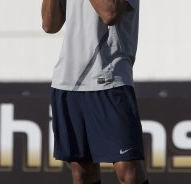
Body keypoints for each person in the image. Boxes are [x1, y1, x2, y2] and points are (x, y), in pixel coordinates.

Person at [41, 0, 148, 183]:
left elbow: (110, 13)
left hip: (110, 77)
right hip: (68, 80)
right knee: (82, 173)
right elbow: (50, 25)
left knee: (130, 174)